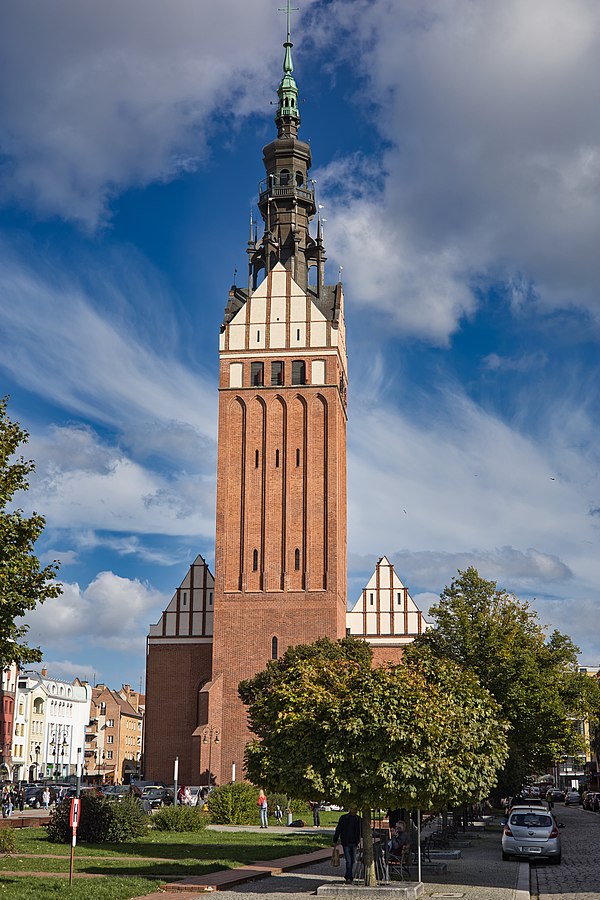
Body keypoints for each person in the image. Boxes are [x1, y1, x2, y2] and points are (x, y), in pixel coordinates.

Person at [333, 807, 361, 884]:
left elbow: (361, 830)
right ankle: (349, 876)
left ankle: (348, 874)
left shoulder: (358, 819)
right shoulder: (344, 818)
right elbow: (338, 829)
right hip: (346, 842)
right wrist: (335, 840)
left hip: (354, 842)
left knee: (353, 860)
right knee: (349, 860)